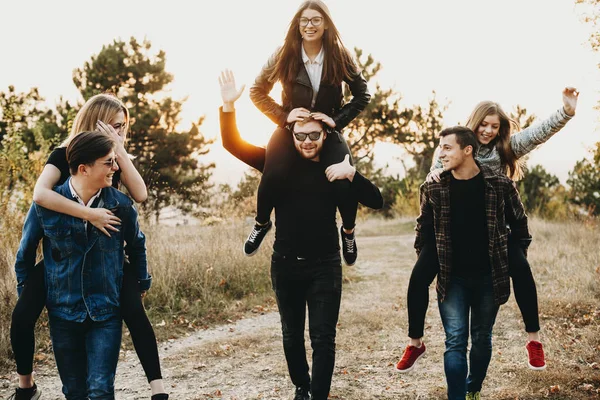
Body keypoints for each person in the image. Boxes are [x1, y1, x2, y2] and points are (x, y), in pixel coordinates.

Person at [219, 69, 383, 400]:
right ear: (291, 135)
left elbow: (377, 200)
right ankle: (302, 386)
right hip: (285, 264)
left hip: (325, 264)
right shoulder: (276, 165)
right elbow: (231, 144)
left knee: (323, 338)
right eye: (300, 136)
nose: (306, 141)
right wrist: (227, 107)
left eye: (313, 135)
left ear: (326, 135)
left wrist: (353, 174)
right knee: (291, 335)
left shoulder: (337, 167)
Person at [396, 87, 579, 373]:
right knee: (419, 276)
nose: (489, 131)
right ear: (475, 121)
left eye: (495, 126)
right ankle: (415, 342)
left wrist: (566, 112)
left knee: (520, 267)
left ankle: (534, 340)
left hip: (492, 231)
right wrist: (434, 172)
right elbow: (436, 173)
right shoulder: (456, 143)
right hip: (451, 230)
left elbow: (538, 132)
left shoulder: (505, 148)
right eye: (484, 124)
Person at [9, 93, 168, 400]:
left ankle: (158, 390)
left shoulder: (114, 155)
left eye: (123, 127)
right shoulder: (65, 153)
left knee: (134, 310)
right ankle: (25, 386)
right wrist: (89, 214)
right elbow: (40, 195)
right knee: (23, 314)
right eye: (114, 125)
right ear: (95, 121)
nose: (119, 132)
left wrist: (119, 151)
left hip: (104, 254)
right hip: (65, 249)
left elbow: (140, 194)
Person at [244, 0, 371, 266]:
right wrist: (283, 116)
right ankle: (261, 222)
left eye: (316, 20)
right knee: (272, 171)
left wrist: (335, 121)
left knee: (342, 177)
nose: (310, 25)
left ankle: (348, 231)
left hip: (326, 130)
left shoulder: (340, 55)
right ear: (297, 26)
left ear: (325, 24)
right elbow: (257, 92)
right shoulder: (283, 54)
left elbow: (362, 95)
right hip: (290, 128)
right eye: (304, 21)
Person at [414, 126, 531, 399]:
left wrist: (514, 257)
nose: (440, 153)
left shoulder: (499, 184)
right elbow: (423, 229)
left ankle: (473, 388)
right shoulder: (433, 186)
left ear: (467, 150)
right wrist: (428, 259)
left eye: (446, 147)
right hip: (452, 279)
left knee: (481, 339)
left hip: (489, 279)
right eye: (439, 147)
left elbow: (521, 225)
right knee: (454, 341)